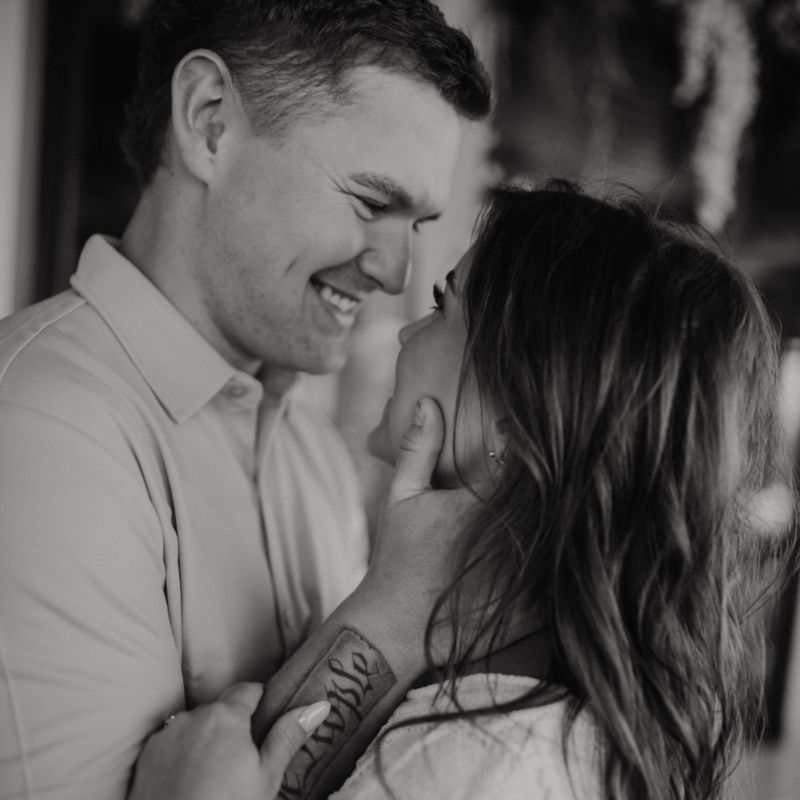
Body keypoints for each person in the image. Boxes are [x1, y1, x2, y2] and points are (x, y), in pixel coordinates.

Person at [0, 1, 491, 798]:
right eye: (372, 203)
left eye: (417, 223)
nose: (396, 272)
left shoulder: (313, 454)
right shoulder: (38, 435)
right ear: (210, 121)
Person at [325, 181, 794, 800]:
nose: (407, 332)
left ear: (516, 425)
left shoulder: (478, 764)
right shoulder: (534, 718)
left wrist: (391, 607)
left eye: (443, 306)